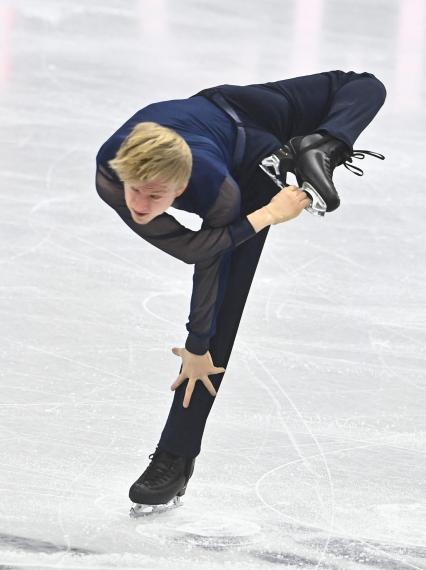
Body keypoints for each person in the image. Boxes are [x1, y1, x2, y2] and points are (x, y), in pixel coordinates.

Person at [95, 69, 386, 515]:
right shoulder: (113, 172)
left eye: (156, 196)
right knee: (206, 340)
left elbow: (208, 260)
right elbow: (188, 247)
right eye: (136, 190)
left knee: (365, 85)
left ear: (182, 187)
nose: (140, 205)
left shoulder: (217, 190)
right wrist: (267, 215)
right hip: (224, 112)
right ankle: (176, 453)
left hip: (251, 141)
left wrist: (199, 345)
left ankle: (317, 147)